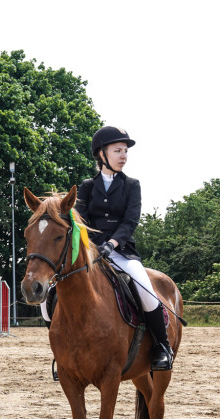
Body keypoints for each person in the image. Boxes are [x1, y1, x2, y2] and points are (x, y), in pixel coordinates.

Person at [75, 126, 173, 371]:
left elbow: (130, 222)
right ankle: (62, 351)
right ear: (101, 154)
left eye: (125, 152)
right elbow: (81, 221)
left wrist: (111, 244)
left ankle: (162, 347)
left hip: (122, 252)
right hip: (91, 253)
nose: (123, 156)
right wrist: (96, 247)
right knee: (53, 294)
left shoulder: (132, 185)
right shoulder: (86, 186)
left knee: (148, 294)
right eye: (118, 151)